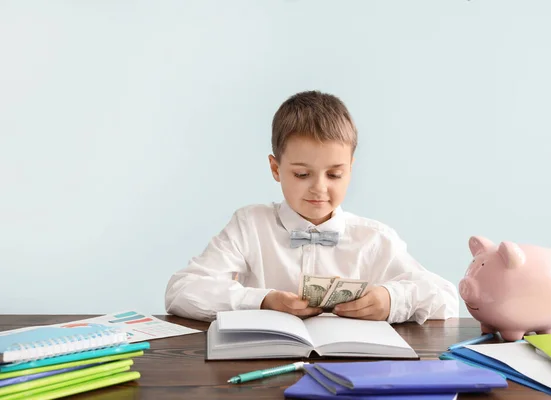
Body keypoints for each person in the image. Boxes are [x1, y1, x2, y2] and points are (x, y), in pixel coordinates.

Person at [164, 90, 458, 323]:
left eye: (334, 174)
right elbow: (181, 291)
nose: (319, 187)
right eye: (302, 174)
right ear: (276, 168)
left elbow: (445, 299)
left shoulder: (374, 238)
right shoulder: (250, 225)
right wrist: (263, 301)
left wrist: (390, 300)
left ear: (350, 169)